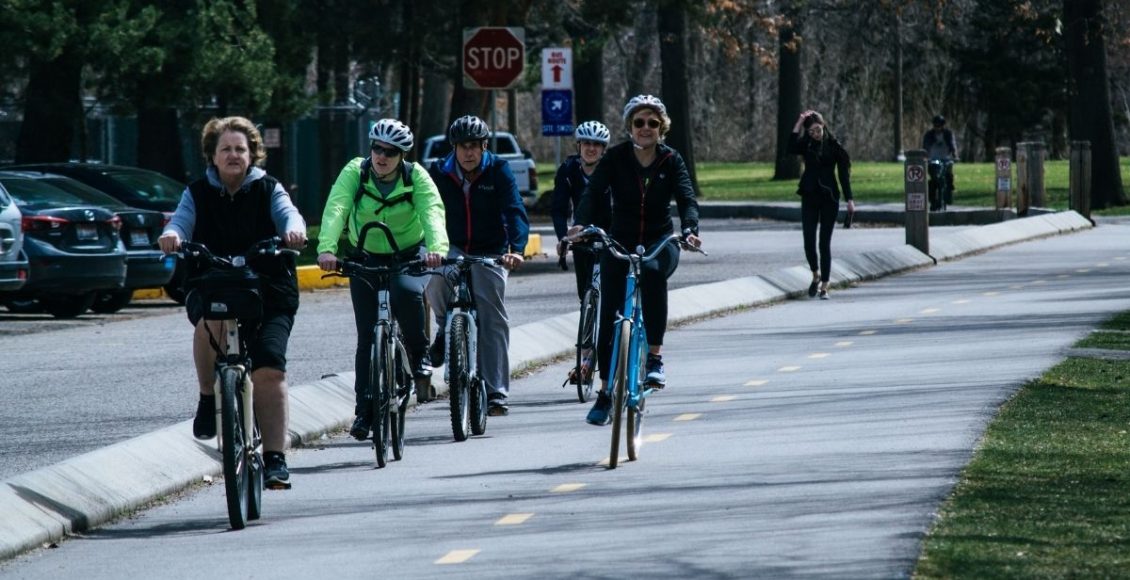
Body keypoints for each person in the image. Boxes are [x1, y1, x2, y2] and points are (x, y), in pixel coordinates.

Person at [159, 116, 307, 489]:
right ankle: (209, 397)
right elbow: (180, 221)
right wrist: (172, 236)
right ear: (212, 155)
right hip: (214, 283)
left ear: (253, 154)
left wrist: (294, 231)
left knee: (269, 370)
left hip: (269, 289)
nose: (233, 155)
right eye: (225, 148)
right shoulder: (197, 192)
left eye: (241, 149)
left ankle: (275, 459)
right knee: (211, 320)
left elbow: (289, 214)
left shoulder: (268, 188)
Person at [570, 95, 701, 426]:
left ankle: (654, 359)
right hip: (620, 240)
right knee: (610, 310)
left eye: (652, 123)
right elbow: (592, 193)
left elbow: (686, 198)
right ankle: (603, 393)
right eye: (639, 122)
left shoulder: (671, 160)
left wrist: (690, 229)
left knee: (654, 275)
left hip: (660, 241)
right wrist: (580, 224)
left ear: (662, 128)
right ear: (630, 126)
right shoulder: (614, 159)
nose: (645, 128)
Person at [316, 118, 449, 441]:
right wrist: (327, 249)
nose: (382, 156)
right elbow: (337, 207)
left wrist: (437, 248)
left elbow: (432, 211)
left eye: (390, 151)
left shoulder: (416, 176)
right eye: (377, 148)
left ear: (402, 155)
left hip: (408, 254)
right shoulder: (355, 173)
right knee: (366, 336)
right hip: (365, 256)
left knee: (406, 293)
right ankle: (364, 412)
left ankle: (419, 356)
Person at [426, 115, 529, 417]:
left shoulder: (498, 169)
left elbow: (514, 210)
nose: (469, 152)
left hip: (491, 250)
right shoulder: (439, 172)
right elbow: (428, 211)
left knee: (492, 314)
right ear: (453, 147)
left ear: (484, 146)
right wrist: (430, 248)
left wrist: (517, 250)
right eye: (463, 146)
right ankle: (446, 326)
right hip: (451, 245)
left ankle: (495, 391)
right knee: (435, 278)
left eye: (475, 146)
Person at [789, 109, 853, 300]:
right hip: (809, 196)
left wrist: (850, 200)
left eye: (817, 130)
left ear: (823, 126)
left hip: (829, 198)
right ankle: (815, 274)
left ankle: (825, 284)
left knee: (824, 243)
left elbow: (843, 175)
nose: (815, 134)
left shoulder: (834, 147)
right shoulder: (806, 145)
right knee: (808, 240)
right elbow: (790, 147)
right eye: (811, 132)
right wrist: (799, 123)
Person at [922, 114, 958, 211]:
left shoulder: (948, 134)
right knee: (933, 180)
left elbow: (952, 145)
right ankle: (933, 200)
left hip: (945, 158)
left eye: (939, 125)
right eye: (936, 125)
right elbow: (925, 147)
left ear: (943, 125)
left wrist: (954, 155)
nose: (937, 127)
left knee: (948, 175)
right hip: (933, 159)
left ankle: (949, 193)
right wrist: (925, 157)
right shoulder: (929, 135)